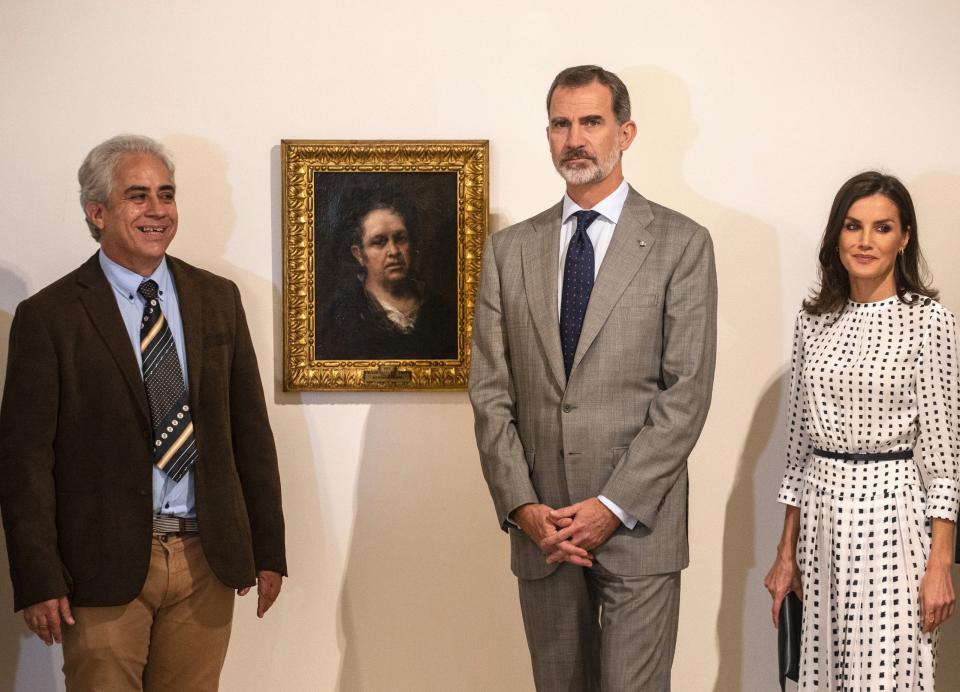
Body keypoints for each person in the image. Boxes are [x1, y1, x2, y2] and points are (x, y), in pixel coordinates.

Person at [0, 135, 286, 691]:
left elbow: (250, 433)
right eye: (138, 196)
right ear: (97, 211)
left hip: (208, 557)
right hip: (100, 568)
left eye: (166, 193)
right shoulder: (50, 317)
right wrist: (38, 578)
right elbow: (24, 461)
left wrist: (269, 548)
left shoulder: (217, 298)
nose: (157, 210)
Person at [469, 65, 717, 690]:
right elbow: (491, 393)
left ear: (625, 132)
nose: (574, 137)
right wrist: (522, 505)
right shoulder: (508, 251)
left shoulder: (682, 244)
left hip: (638, 526)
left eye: (591, 121)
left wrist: (612, 506)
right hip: (543, 532)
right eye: (560, 123)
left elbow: (685, 394)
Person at [764, 171, 958, 690]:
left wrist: (941, 563)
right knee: (823, 676)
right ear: (837, 236)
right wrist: (786, 554)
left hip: (892, 517)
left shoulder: (929, 321)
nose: (866, 241)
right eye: (853, 226)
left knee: (887, 678)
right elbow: (798, 449)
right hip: (821, 518)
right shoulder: (813, 320)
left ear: (904, 238)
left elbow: (943, 460)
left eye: (882, 227)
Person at [318, 197, 456, 360]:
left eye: (400, 238)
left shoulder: (440, 310)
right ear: (360, 254)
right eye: (379, 242)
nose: (394, 251)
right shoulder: (339, 319)